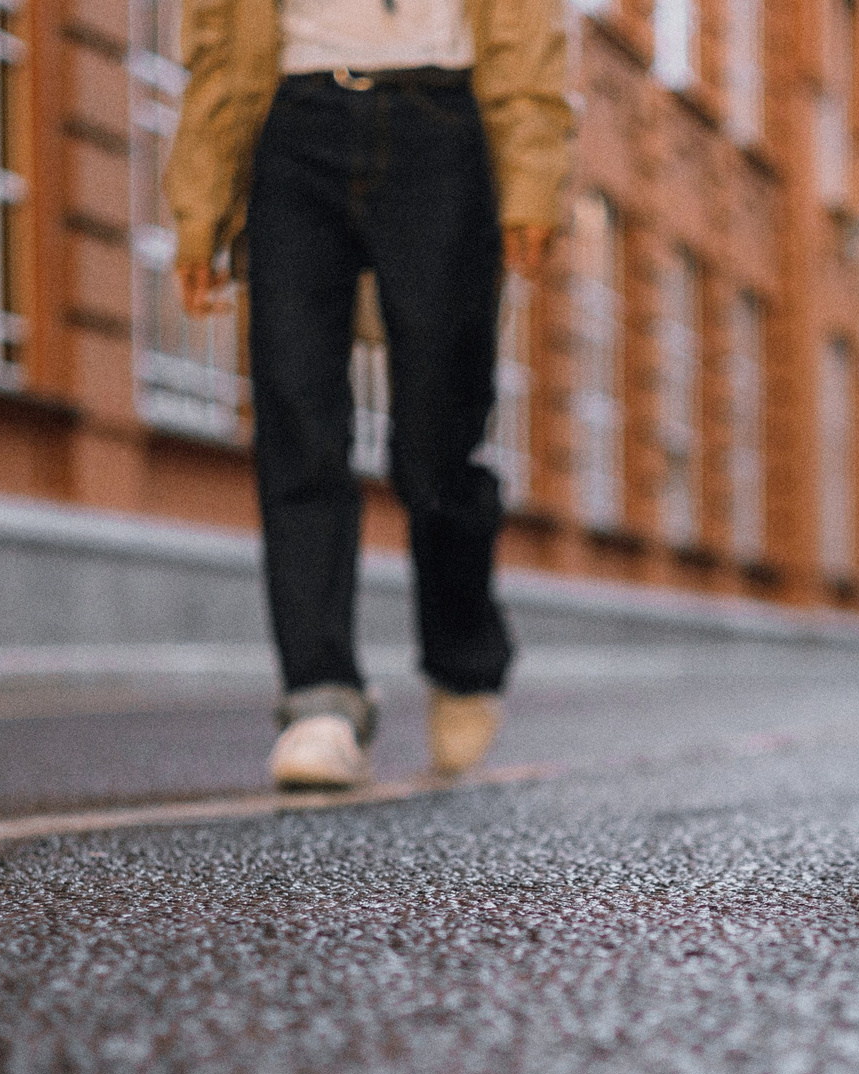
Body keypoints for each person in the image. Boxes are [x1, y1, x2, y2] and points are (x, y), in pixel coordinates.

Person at [165, 0, 569, 788]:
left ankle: (462, 657)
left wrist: (533, 170)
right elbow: (217, 39)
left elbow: (527, 25)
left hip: (443, 121)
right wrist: (202, 198)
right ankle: (320, 697)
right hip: (294, 117)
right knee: (294, 414)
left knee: (436, 438)